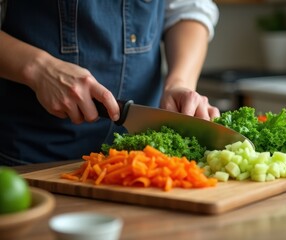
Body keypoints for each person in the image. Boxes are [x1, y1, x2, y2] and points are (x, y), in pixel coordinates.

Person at [0, 0, 220, 166]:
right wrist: (38, 68)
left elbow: (188, 9)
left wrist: (179, 82)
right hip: (33, 159)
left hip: (142, 161)